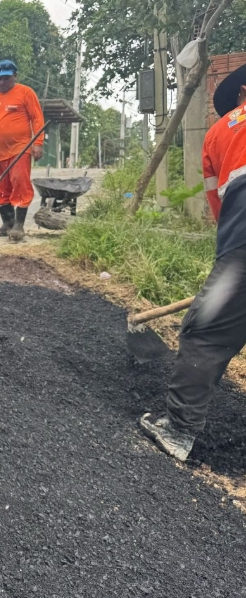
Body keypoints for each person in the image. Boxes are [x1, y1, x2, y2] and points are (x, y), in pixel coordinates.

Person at [140, 61, 246, 461]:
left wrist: (232, 262)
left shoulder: (222, 131)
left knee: (205, 334)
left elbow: (221, 210)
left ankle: (179, 432)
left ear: (240, 93)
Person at [0, 60, 45, 242]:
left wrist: (38, 142)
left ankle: (19, 226)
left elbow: (37, 119)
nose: (2, 82)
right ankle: (7, 223)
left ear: (15, 76)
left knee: (20, 182)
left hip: (19, 149)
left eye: (6, 78)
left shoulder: (25, 93)